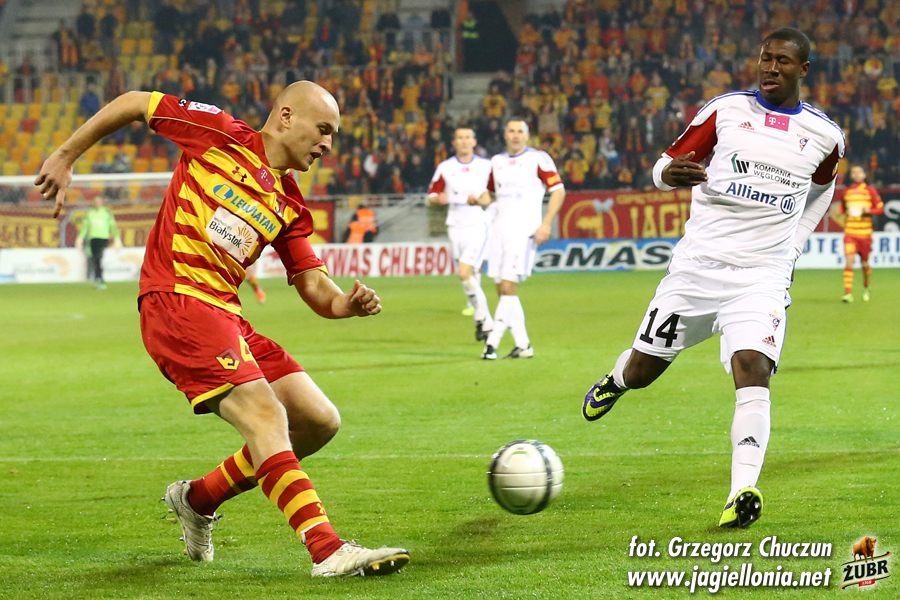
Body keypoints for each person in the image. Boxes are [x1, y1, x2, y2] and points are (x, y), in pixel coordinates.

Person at [35, 82, 409, 577]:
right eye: (323, 129)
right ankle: (327, 549)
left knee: (318, 420)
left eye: (333, 135)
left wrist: (348, 304)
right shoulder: (218, 133)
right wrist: (65, 156)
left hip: (225, 314)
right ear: (285, 117)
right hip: (177, 299)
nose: (327, 144)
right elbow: (135, 103)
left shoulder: (289, 203)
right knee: (266, 416)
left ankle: (198, 499)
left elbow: (315, 286)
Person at [581, 28, 845, 529]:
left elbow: (822, 190)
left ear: (803, 70)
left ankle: (741, 491)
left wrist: (794, 245)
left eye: (783, 61)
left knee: (753, 366)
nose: (771, 68)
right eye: (765, 58)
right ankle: (615, 381)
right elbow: (664, 164)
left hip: (762, 276)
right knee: (643, 370)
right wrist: (667, 176)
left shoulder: (825, 135)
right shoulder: (725, 111)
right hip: (697, 270)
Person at [471, 120, 565, 359]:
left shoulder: (538, 158)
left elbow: (558, 190)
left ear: (527, 135)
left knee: (509, 285)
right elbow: (491, 194)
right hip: (499, 231)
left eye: (520, 131)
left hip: (524, 232)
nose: (515, 135)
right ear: (505, 135)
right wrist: (477, 200)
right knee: (502, 289)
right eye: (511, 131)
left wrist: (546, 224)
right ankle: (523, 345)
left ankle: (491, 344)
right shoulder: (497, 161)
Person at [428, 127, 494, 341]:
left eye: (468, 138)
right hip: (455, 226)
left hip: (479, 224)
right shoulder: (446, 167)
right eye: (460, 138)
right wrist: (438, 198)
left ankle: (487, 322)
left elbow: (493, 194)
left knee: (465, 273)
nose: (464, 141)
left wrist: (482, 200)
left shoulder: (486, 166)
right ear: (454, 142)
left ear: (474, 142)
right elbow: (432, 194)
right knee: (470, 277)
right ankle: (480, 320)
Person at [835, 165, 883, 302]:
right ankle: (848, 293)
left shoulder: (870, 191)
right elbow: (843, 208)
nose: (856, 174)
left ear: (864, 175)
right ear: (851, 176)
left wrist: (869, 211)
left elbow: (880, 209)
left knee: (865, 264)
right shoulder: (847, 192)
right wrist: (840, 212)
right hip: (850, 233)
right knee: (849, 262)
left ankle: (866, 286)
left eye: (859, 172)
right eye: (854, 172)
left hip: (865, 234)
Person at [76, 196, 121, 290]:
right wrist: (80, 238)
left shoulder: (106, 213)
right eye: (95, 201)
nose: (97, 203)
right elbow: (85, 227)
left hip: (103, 238)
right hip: (93, 238)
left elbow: (112, 226)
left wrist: (116, 238)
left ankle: (99, 279)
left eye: (99, 201)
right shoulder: (90, 213)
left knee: (98, 257)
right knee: (96, 259)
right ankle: (98, 278)